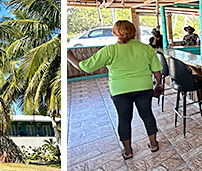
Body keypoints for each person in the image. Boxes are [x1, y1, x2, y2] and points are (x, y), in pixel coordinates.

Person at [67, 20, 163, 160]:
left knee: (124, 119)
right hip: (144, 87)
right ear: (133, 32)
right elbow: (156, 70)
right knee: (147, 115)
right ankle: (154, 144)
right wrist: (159, 84)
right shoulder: (146, 48)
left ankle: (128, 152)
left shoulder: (110, 50)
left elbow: (86, 67)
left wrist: (69, 57)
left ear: (115, 33)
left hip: (120, 91)